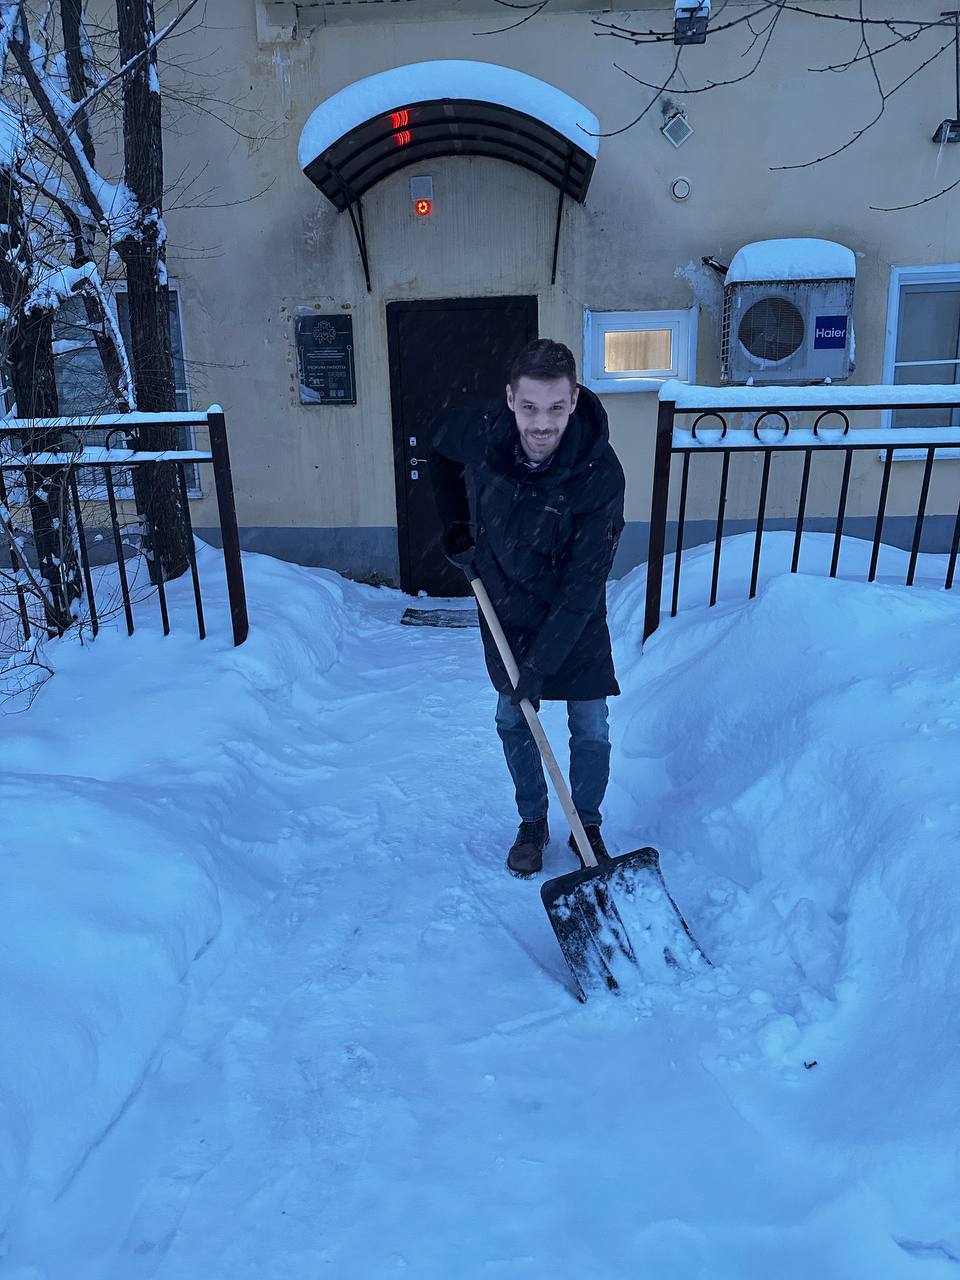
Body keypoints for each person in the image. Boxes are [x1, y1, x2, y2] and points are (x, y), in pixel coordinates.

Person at [428, 338, 626, 877]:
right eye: (531, 407)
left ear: (575, 399)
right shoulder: (485, 434)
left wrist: (540, 665)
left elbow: (584, 585)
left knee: (591, 725)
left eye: (556, 407)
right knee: (512, 718)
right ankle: (533, 822)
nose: (542, 424)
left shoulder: (599, 472)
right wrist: (455, 525)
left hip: (574, 617)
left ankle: (586, 824)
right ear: (511, 399)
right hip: (505, 603)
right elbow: (437, 444)